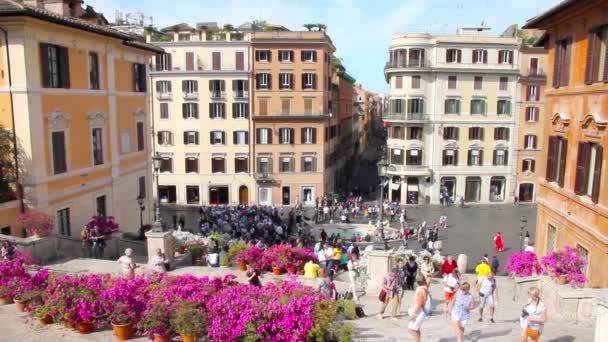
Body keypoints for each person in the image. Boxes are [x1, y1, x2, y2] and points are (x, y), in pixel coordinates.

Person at [407, 274, 429, 342]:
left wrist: (414, 314)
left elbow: (419, 303)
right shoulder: (424, 288)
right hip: (421, 311)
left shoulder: (420, 290)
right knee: (416, 329)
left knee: (411, 329)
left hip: (419, 311)